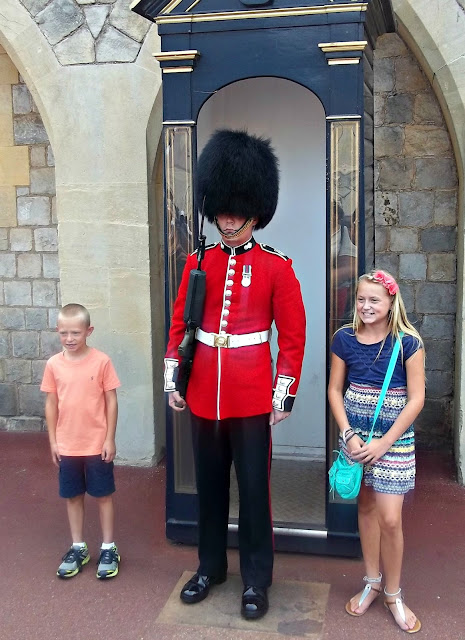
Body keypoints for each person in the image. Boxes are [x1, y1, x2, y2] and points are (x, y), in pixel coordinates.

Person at [164, 129, 306, 620]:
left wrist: (281, 394)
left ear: (253, 212)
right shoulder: (198, 262)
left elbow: (292, 339)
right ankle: (209, 567)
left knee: (253, 492)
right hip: (204, 391)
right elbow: (182, 322)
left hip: (249, 397)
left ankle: (255, 579)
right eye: (220, 210)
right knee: (209, 487)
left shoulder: (277, 269)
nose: (226, 219)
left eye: (234, 211)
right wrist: (173, 380)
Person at [328, 270, 424, 634]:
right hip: (355, 439)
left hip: (393, 443)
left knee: (391, 519)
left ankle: (394, 593)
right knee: (365, 508)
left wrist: (385, 442)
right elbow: (335, 391)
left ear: (390, 303)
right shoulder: (344, 339)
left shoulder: (408, 343)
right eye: (361, 299)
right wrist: (348, 434)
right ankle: (371, 581)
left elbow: (416, 400)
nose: (366, 306)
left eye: (375, 300)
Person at [41, 303, 121, 580]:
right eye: (63, 333)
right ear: (57, 332)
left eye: (75, 332)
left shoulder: (101, 361)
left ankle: (109, 547)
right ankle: (78, 547)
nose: (69, 338)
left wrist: (109, 438)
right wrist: (53, 441)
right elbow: (51, 404)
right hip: (67, 445)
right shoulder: (53, 364)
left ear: (89, 331)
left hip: (97, 444)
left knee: (102, 495)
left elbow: (111, 401)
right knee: (73, 496)